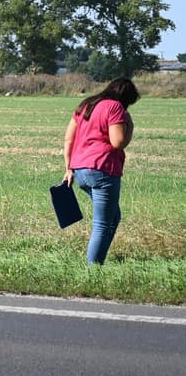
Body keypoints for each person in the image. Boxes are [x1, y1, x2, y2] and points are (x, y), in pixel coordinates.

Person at [62, 77, 140, 265]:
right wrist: (130, 127)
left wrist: (68, 168)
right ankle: (93, 270)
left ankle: (97, 262)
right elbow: (118, 142)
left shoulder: (86, 105)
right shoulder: (115, 107)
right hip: (103, 169)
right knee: (102, 225)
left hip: (80, 170)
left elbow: (69, 139)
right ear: (125, 98)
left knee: (113, 217)